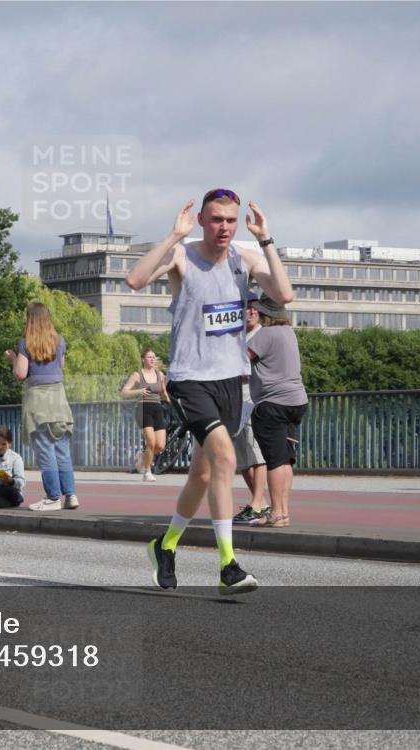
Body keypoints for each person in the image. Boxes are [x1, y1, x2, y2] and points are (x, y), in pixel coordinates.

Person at [126, 189, 293, 594]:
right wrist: (173, 235)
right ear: (201, 220)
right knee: (225, 458)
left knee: (202, 474)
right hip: (189, 379)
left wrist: (265, 239)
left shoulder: (243, 259)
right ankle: (227, 566)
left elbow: (284, 295)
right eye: (216, 219)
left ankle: (165, 546)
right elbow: (134, 280)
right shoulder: (182, 255)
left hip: (230, 381)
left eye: (230, 221)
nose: (224, 227)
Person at [5, 301, 78, 512]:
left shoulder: (25, 343)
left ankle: (53, 497)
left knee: (45, 450)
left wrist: (13, 359)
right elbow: (61, 366)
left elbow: (21, 373)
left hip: (38, 400)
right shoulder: (60, 341)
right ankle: (70, 495)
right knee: (62, 449)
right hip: (59, 399)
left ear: (30, 319)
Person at [247, 294, 308, 527]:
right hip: (297, 401)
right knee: (286, 460)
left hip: (272, 404)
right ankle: (284, 512)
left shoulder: (265, 334)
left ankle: (275, 513)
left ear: (266, 313)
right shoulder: (288, 332)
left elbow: (241, 360)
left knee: (273, 461)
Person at [232, 293, 271, 525]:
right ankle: (261, 504)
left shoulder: (262, 335)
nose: (252, 311)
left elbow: (242, 366)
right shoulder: (235, 336)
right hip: (234, 401)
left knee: (256, 454)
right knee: (243, 460)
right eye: (247, 307)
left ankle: (256, 505)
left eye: (255, 307)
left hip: (253, 400)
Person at [120, 348, 169, 482]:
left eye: (154, 357)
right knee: (151, 442)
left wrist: (170, 401)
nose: (152, 359)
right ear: (143, 359)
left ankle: (142, 456)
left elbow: (164, 391)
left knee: (160, 446)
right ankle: (147, 472)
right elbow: (124, 392)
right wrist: (139, 391)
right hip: (143, 408)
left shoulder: (160, 375)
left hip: (157, 408)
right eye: (149, 357)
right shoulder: (137, 375)